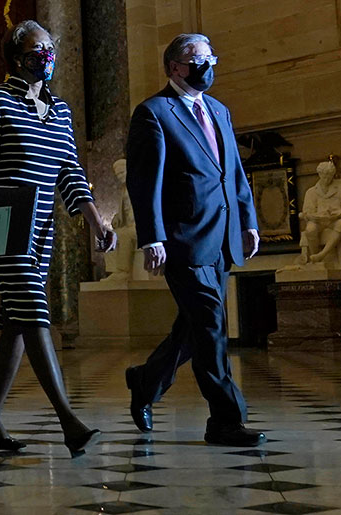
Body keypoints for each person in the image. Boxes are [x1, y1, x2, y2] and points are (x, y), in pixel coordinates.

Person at [0, 21, 116, 456]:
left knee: (16, 322)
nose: (46, 56)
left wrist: (96, 222)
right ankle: (69, 421)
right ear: (16, 56)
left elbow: (70, 171)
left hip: (41, 227)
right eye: (37, 49)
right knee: (34, 311)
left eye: (50, 48)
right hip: (3, 225)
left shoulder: (61, 110)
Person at [124, 32, 264, 448]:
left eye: (210, 57)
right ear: (174, 68)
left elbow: (233, 172)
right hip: (184, 240)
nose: (206, 65)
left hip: (222, 238)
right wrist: (152, 238)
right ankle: (225, 420)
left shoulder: (219, 110)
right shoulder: (153, 112)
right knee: (211, 326)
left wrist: (248, 221)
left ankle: (145, 381)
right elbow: (143, 182)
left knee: (193, 329)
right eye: (196, 59)